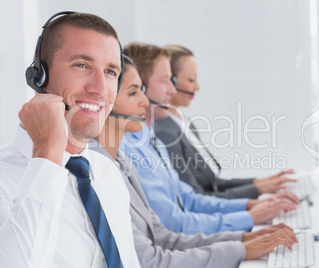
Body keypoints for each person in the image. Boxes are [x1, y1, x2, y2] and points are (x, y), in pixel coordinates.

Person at [91, 55, 298, 267]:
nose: (145, 100)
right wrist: (242, 239)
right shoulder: (103, 170)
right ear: (105, 103)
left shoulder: (123, 162)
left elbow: (166, 232)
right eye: (134, 92)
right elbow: (155, 252)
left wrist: (242, 240)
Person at [0, 12, 140, 267]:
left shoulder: (107, 172)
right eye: (82, 65)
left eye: (110, 72)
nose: (100, 88)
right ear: (38, 75)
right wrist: (48, 153)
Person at [120, 42, 299, 235]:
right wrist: (249, 216)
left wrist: (249, 205)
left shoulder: (150, 137)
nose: (172, 90)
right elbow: (175, 223)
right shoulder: (141, 145)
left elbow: (189, 199)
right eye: (166, 80)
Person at [154, 44, 298, 199]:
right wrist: (255, 193)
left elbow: (212, 183)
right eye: (191, 79)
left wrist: (258, 183)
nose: (197, 87)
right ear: (171, 82)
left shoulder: (183, 121)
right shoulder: (165, 133)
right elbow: (198, 196)